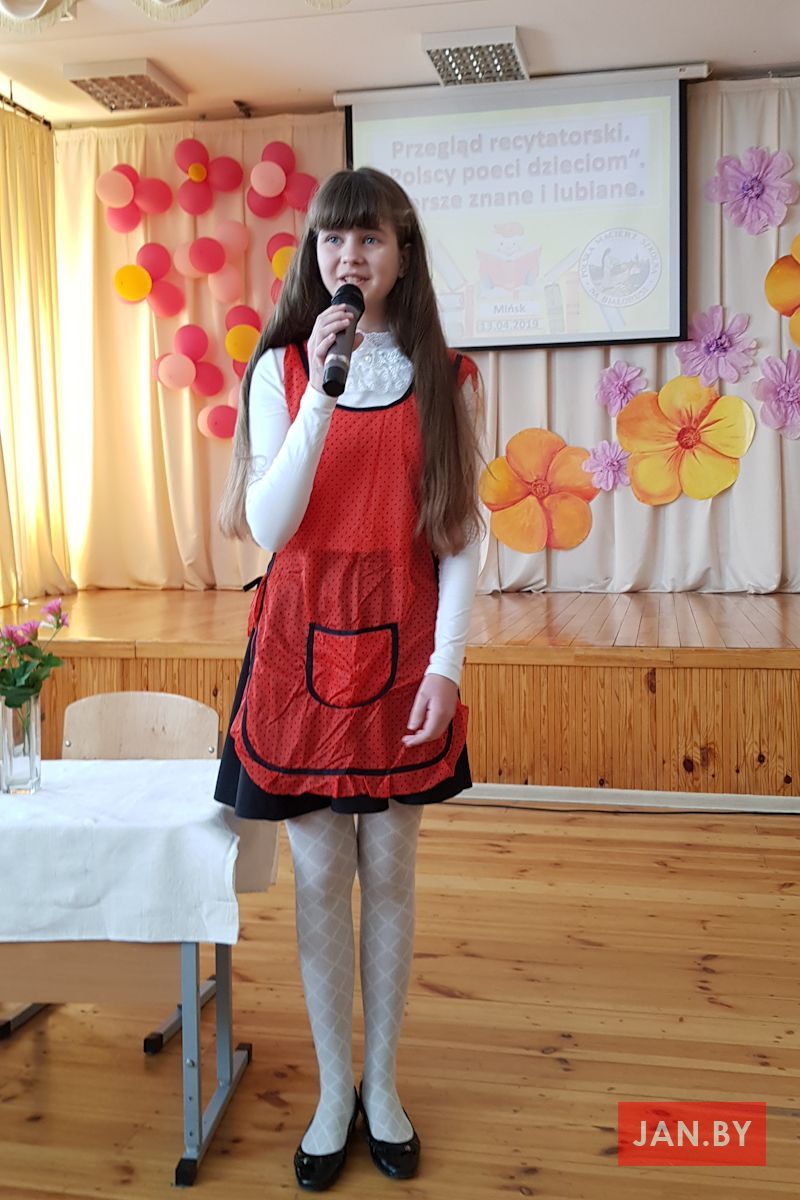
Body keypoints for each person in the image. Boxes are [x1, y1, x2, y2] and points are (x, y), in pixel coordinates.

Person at [215, 166, 483, 1191]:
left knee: (392, 872)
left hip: (404, 646)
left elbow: (459, 537)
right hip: (300, 647)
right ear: (314, 255)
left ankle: (383, 1086)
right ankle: (334, 1092)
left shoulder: (447, 377)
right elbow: (270, 524)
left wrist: (448, 666)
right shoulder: (281, 369)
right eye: (333, 239)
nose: (349, 256)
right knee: (322, 875)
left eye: (369, 238)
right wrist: (321, 396)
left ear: (401, 255)